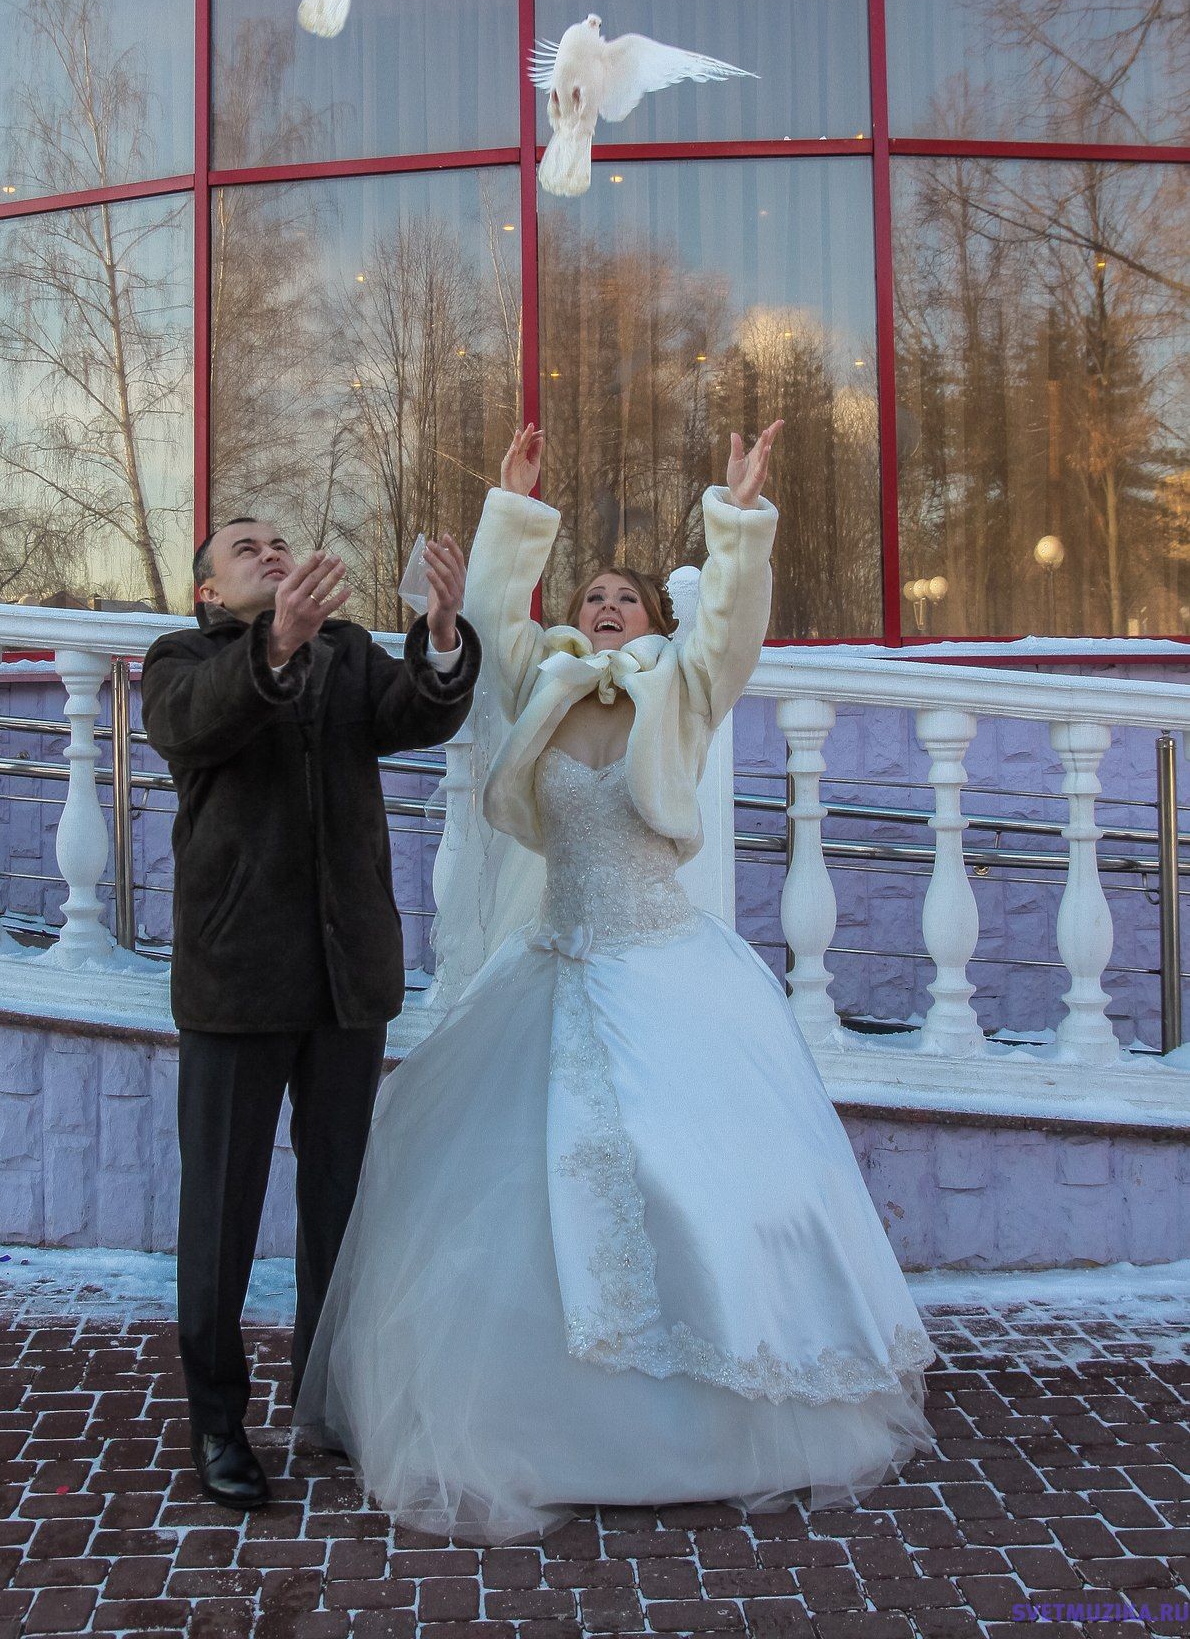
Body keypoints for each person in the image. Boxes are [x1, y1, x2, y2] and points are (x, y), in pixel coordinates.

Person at [294, 424, 936, 1543]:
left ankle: (711, 1418)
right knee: (516, 1179)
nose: (603, 606)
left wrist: (738, 515)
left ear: (651, 620)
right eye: (590, 594)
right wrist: (512, 509)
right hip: (555, 962)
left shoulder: (682, 685)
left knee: (684, 1173)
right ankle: (540, 1422)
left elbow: (731, 626)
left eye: (623, 597)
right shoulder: (542, 684)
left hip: (666, 968)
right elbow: (489, 627)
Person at [140, 517, 480, 1510]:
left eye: (280, 540)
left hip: (346, 977)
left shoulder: (347, 650)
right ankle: (217, 1422)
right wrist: (274, 645)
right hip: (237, 980)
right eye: (244, 546)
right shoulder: (180, 660)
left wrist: (441, 631)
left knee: (338, 1206)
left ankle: (327, 1401)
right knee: (221, 1214)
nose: (271, 550)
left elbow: (416, 716)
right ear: (209, 592)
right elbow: (193, 724)